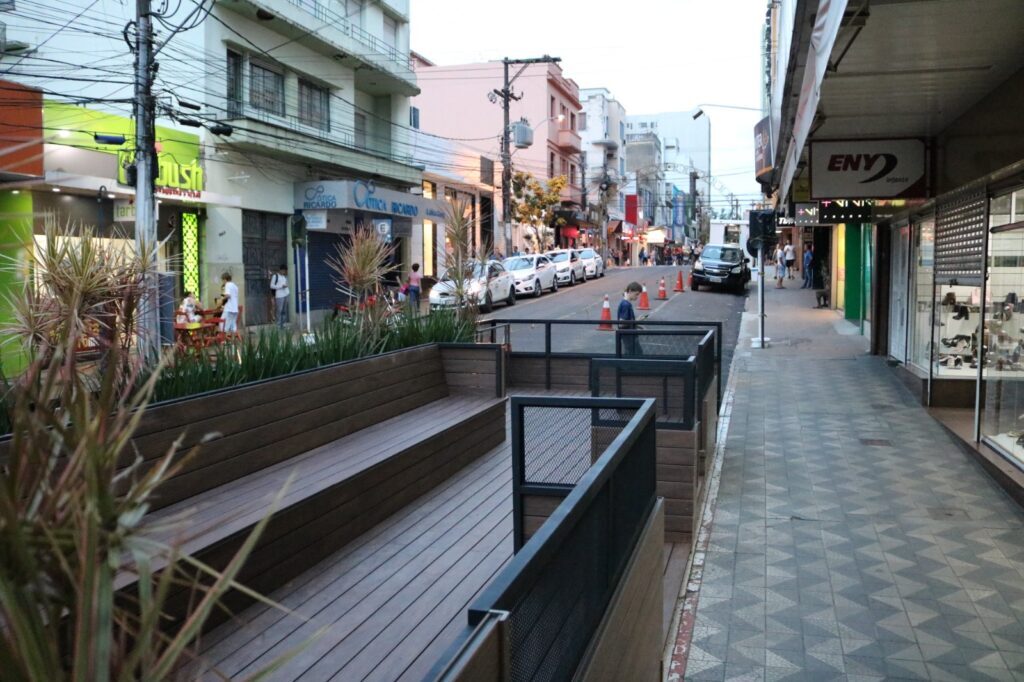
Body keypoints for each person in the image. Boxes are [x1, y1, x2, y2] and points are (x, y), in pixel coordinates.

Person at [617, 281, 644, 356]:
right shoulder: (626, 305)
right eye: (636, 294)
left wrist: (636, 324)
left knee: (633, 354)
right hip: (628, 336)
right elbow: (622, 324)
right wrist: (636, 321)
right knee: (636, 354)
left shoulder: (625, 303)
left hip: (629, 335)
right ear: (630, 291)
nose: (637, 297)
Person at [270, 264, 289, 329]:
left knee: (284, 311)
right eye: (283, 271)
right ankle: (278, 325)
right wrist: (281, 287)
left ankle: (283, 325)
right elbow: (271, 286)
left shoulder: (284, 277)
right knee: (279, 310)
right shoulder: (275, 276)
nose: (284, 272)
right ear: (280, 270)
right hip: (279, 296)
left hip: (286, 294)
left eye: (285, 271)